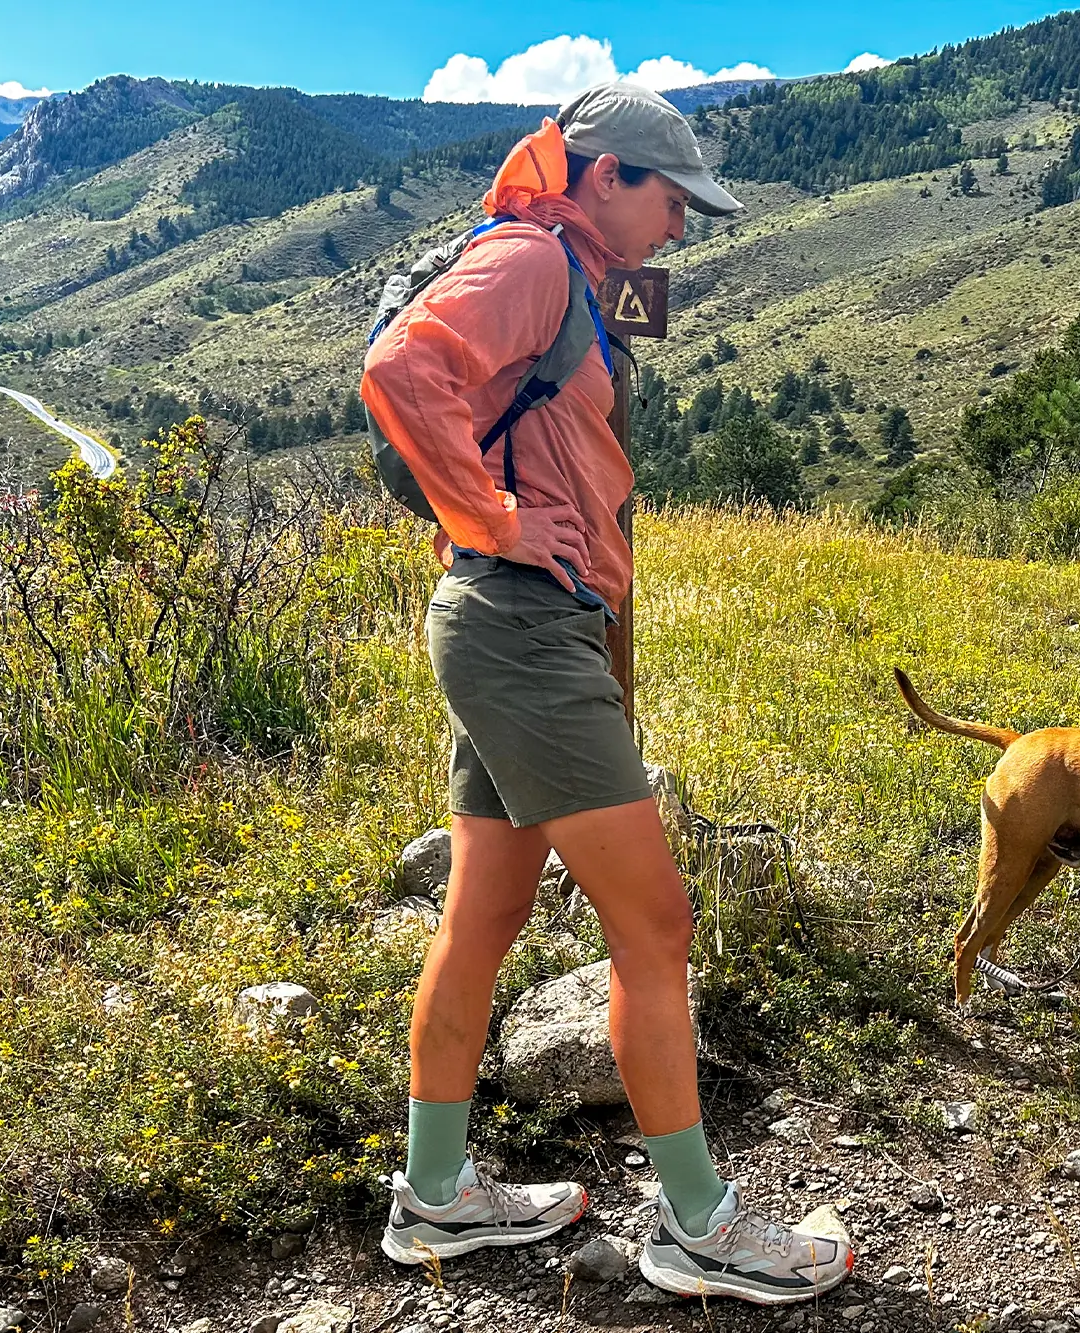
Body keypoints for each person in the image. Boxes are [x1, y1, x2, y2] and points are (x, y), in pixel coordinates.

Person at [359, 81, 853, 1304]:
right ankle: (699, 1226)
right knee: (657, 927)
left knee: (481, 916)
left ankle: (433, 1199)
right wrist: (495, 518)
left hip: (515, 630)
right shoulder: (531, 259)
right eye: (669, 198)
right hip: (519, 631)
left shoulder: (567, 276)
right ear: (601, 176)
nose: (680, 226)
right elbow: (400, 366)